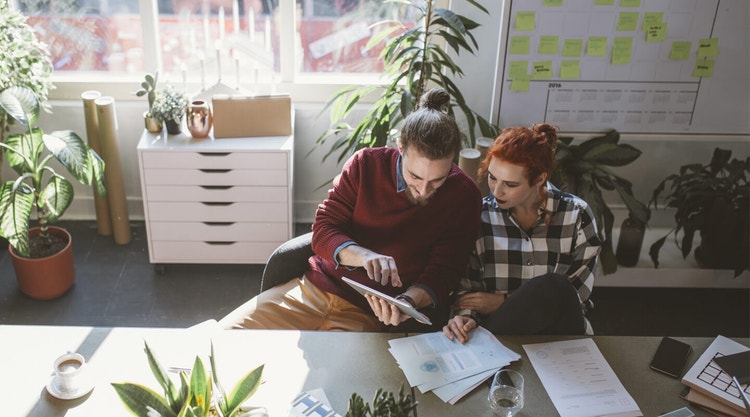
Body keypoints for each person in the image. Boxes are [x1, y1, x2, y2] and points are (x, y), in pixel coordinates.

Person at [219, 88, 482, 331]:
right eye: (415, 176)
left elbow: (444, 272)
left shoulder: (464, 196)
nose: (424, 190)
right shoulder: (366, 165)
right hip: (310, 291)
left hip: (369, 315)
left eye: (437, 181)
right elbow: (323, 231)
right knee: (217, 346)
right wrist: (364, 257)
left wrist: (407, 303)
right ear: (400, 149)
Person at [443, 123, 602, 343]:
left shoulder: (577, 216)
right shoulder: (479, 216)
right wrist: (464, 320)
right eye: (492, 177)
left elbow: (572, 298)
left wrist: (502, 300)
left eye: (510, 184)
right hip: (502, 331)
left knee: (554, 286)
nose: (496, 191)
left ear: (539, 179)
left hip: (559, 331)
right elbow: (468, 294)